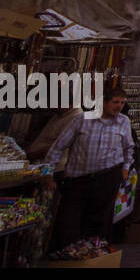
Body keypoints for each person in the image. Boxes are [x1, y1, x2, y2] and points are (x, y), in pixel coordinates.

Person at [43, 86, 133, 252]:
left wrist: (125, 168)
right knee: (69, 219)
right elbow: (58, 147)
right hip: (78, 179)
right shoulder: (82, 120)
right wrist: (48, 173)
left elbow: (129, 148)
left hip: (107, 177)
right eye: (115, 102)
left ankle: (95, 256)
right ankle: (64, 255)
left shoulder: (124, 122)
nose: (119, 106)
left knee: (100, 220)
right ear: (104, 102)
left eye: (122, 103)